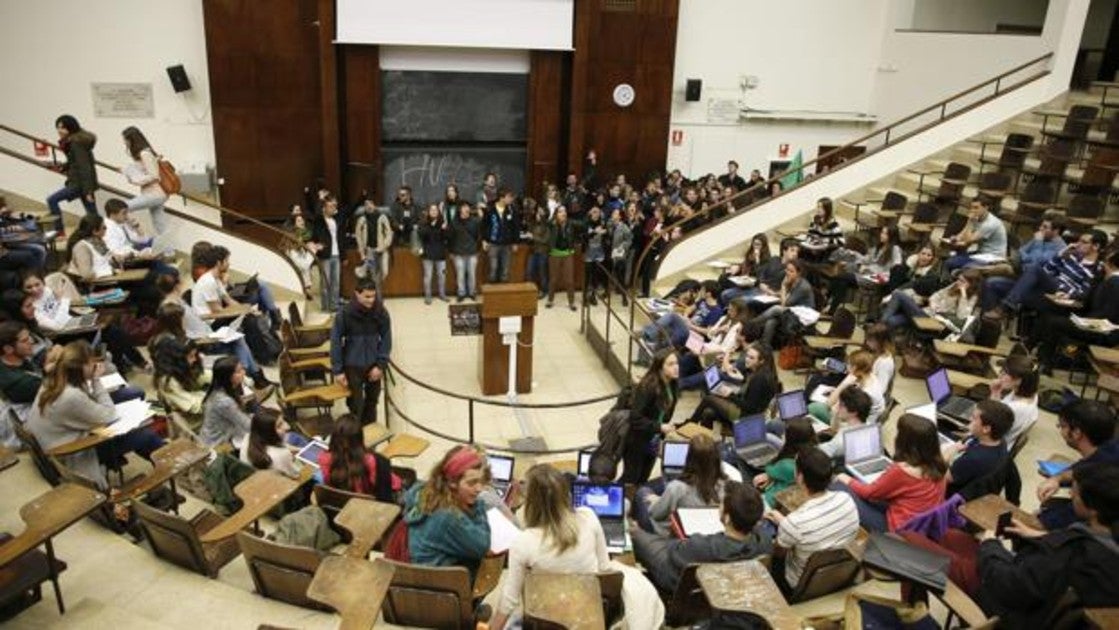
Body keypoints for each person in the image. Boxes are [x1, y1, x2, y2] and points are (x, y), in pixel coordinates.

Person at [490, 464, 664, 630]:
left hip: (547, 616)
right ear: (565, 494)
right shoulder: (589, 516)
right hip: (589, 612)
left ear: (531, 504)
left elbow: (509, 600)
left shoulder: (522, 542)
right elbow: (604, 569)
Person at [26, 340, 164, 489]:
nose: (95, 365)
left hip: (62, 435)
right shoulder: (71, 396)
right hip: (74, 451)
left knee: (135, 394)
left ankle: (162, 455)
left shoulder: (54, 378)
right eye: (91, 362)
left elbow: (86, 399)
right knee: (145, 435)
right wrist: (96, 379)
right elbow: (110, 415)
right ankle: (170, 462)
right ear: (81, 367)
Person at [630, 480, 772, 594]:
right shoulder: (764, 542)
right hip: (720, 589)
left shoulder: (699, 546)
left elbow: (673, 549)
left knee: (635, 532)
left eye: (722, 504)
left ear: (727, 518)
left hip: (675, 576)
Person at [764, 449, 860, 591]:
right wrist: (786, 523)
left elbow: (778, 554)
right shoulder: (847, 500)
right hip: (838, 576)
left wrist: (785, 525)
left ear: (801, 478)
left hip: (800, 585)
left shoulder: (794, 523)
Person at [834, 413, 947, 532]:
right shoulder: (939, 465)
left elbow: (869, 493)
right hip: (920, 526)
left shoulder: (902, 471)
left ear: (905, 440)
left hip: (899, 531)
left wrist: (846, 479)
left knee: (839, 486)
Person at [155, 275, 273, 390]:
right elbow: (184, 335)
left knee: (237, 337)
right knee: (238, 340)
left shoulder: (176, 301)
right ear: (177, 286)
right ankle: (249, 378)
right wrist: (212, 337)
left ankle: (251, 377)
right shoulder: (173, 309)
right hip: (204, 342)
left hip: (207, 334)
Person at [403, 446, 491, 577]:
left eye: (480, 481)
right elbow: (483, 546)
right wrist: (479, 505)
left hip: (423, 574)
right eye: (471, 483)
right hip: (440, 585)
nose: (479, 489)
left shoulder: (424, 491)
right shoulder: (446, 516)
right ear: (453, 483)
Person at [983, 229, 1106, 320]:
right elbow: (1047, 270)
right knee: (993, 283)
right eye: (1078, 240)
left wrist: (1066, 292)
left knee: (1034, 268)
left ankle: (1006, 307)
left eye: (1084, 242)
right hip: (1044, 289)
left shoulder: (1097, 268)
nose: (1078, 244)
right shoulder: (1071, 255)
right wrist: (1060, 254)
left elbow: (1084, 293)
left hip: (1058, 298)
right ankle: (991, 325)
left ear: (1096, 246)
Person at [1035, 400, 1118, 530]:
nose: (1059, 429)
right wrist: (1057, 478)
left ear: (1077, 433)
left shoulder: (1099, 477)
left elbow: (1074, 513)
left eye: (1062, 426)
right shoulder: (1110, 448)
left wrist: (1039, 520)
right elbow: (1082, 467)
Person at [1036, 249, 1119, 373]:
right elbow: (1089, 296)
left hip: (1107, 331)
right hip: (1095, 321)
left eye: (1105, 262)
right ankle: (1042, 355)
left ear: (1110, 264)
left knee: (1054, 323)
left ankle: (1046, 363)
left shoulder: (1115, 283)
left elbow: (1109, 314)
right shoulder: (1105, 279)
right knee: (1051, 312)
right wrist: (1070, 296)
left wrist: (1085, 320)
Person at [634, 433, 726, 535]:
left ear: (689, 457)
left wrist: (657, 501)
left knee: (642, 492)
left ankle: (638, 533)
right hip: (700, 534)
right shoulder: (725, 485)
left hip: (671, 536)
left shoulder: (677, 487)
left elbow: (655, 514)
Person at [331, 277, 392, 425]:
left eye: (373, 296)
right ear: (357, 294)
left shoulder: (381, 312)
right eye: (367, 296)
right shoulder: (345, 314)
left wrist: (380, 365)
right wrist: (338, 370)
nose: (371, 300)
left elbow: (386, 338)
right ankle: (356, 434)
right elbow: (336, 341)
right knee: (355, 404)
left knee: (372, 402)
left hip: (373, 364)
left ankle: (371, 434)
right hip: (352, 365)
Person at [689, 341, 779, 433]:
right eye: (747, 356)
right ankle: (705, 440)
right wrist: (741, 380)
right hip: (751, 413)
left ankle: (689, 424)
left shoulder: (760, 379)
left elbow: (749, 407)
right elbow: (752, 395)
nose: (747, 359)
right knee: (708, 413)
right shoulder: (763, 372)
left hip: (746, 418)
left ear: (761, 361)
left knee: (708, 399)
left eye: (752, 358)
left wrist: (730, 395)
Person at [621, 350, 680, 484]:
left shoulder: (673, 385)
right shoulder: (648, 387)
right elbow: (635, 418)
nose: (676, 367)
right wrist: (659, 427)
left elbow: (664, 415)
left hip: (653, 439)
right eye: (670, 364)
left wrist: (662, 431)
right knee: (630, 478)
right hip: (637, 441)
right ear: (660, 368)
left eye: (676, 363)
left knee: (643, 478)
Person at [318, 414, 399, 501]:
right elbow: (396, 485)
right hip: (369, 510)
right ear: (359, 438)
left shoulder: (323, 458)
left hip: (338, 509)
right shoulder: (372, 461)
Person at [942, 399, 1014, 497]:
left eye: (974, 417)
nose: (970, 418)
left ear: (986, 429)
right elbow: (969, 438)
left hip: (951, 496)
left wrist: (947, 453)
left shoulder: (973, 459)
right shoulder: (1000, 441)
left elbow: (944, 478)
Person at [826, 226, 903, 315]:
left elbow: (897, 266)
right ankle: (831, 308)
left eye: (885, 233)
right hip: (866, 275)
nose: (882, 235)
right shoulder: (879, 247)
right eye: (882, 232)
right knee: (841, 280)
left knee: (842, 277)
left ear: (892, 236)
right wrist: (854, 254)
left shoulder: (895, 249)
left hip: (876, 279)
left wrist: (872, 270)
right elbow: (866, 259)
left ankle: (827, 301)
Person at [879, 268, 981, 330]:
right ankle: (881, 335)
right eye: (959, 279)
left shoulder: (972, 297)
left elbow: (962, 316)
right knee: (891, 321)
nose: (958, 282)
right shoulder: (954, 286)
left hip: (936, 320)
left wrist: (963, 294)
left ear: (971, 284)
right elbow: (936, 295)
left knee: (898, 294)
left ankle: (878, 328)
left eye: (962, 281)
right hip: (927, 311)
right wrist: (933, 303)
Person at [746, 259, 815, 349]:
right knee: (771, 321)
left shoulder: (803, 286)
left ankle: (749, 325)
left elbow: (784, 304)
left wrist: (783, 285)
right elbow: (785, 295)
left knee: (776, 308)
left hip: (802, 318)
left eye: (791, 271)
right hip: (791, 312)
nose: (787, 272)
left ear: (798, 273)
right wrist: (772, 293)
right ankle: (765, 346)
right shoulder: (792, 281)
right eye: (787, 269)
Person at [45, 114, 98, 233]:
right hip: (82, 183)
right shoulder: (75, 141)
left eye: (63, 128)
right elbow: (75, 161)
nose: (59, 131)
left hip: (79, 183)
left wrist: (88, 191)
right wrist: (62, 167)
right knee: (92, 213)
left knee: (52, 200)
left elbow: (85, 167)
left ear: (71, 128)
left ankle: (59, 231)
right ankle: (101, 233)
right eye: (58, 127)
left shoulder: (76, 143)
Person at [808, 350, 885, 425]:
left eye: (848, 364)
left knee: (813, 407)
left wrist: (844, 384)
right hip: (864, 416)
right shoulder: (871, 376)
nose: (846, 366)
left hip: (857, 424)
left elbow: (829, 404)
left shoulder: (865, 392)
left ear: (854, 367)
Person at [754, 418, 818, 506]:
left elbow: (768, 468)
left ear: (791, 439)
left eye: (785, 433)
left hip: (776, 500)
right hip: (796, 494)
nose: (783, 435)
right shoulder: (816, 453)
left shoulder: (787, 465)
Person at [120, 126, 169, 233]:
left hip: (154, 194)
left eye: (125, 139)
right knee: (160, 226)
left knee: (120, 208)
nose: (124, 142)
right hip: (155, 194)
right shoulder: (144, 153)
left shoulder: (145, 153)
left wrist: (136, 181)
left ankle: (137, 234)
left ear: (131, 139)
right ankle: (169, 250)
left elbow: (154, 176)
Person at [200, 356, 254, 449]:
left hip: (224, 431)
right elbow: (247, 425)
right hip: (218, 443)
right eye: (238, 371)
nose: (243, 373)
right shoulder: (224, 402)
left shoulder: (219, 390)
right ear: (228, 376)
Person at [944, 197, 1008, 272]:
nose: (972, 211)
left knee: (953, 263)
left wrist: (970, 221)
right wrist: (955, 238)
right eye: (971, 208)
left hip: (993, 257)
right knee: (951, 257)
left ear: (986, 208)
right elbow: (963, 234)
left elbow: (968, 240)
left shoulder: (990, 224)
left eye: (976, 208)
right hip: (981, 253)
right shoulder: (977, 218)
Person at [150, 336, 207, 419]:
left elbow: (202, 376)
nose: (195, 359)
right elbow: (195, 407)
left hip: (192, 398)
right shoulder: (167, 381)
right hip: (187, 416)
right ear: (178, 360)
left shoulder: (180, 368)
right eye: (191, 356)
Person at [991, 354, 1040, 447]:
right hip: (1000, 441)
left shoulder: (1014, 408)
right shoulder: (1032, 395)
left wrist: (994, 393)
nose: (1000, 375)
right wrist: (997, 392)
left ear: (1019, 380)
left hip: (993, 446)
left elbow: (988, 426)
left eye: (1005, 373)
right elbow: (995, 412)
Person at [817, 386, 873, 462]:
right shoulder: (869, 425)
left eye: (841, 405)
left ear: (853, 412)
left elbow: (818, 452)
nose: (836, 406)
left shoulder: (840, 441)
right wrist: (835, 415)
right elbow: (834, 430)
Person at [241, 409, 299, 478]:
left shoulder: (247, 438)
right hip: (286, 483)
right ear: (268, 432)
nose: (287, 426)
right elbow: (295, 476)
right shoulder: (282, 454)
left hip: (260, 481)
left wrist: (300, 449)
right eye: (279, 426)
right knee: (296, 437)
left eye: (283, 421)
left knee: (294, 437)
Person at [719, 234, 773, 305]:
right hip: (744, 281)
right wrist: (738, 268)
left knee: (728, 295)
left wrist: (757, 261)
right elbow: (744, 265)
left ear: (763, 246)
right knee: (723, 278)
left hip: (755, 287)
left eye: (758, 245)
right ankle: (723, 307)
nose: (755, 247)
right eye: (754, 244)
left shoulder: (767, 260)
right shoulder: (750, 254)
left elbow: (760, 278)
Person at [354, 197, 393, 294]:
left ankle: (376, 293)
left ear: (374, 205)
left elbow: (389, 234)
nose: (368, 206)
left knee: (385, 272)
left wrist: (383, 246)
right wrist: (362, 253)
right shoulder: (361, 219)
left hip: (382, 250)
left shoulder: (382, 217)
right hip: (370, 251)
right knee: (373, 276)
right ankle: (377, 298)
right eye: (366, 204)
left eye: (370, 204)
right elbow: (358, 237)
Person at [310, 194, 342, 312]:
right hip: (325, 256)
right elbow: (316, 211)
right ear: (324, 207)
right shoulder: (320, 220)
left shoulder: (336, 219)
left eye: (334, 206)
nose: (333, 208)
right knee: (325, 283)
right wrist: (321, 200)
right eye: (330, 206)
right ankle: (325, 307)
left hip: (336, 255)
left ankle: (334, 306)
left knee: (336, 283)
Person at [483, 188, 521, 283]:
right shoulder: (490, 209)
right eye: (509, 197)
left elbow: (516, 227)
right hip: (493, 243)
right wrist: (484, 240)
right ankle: (492, 291)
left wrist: (516, 242)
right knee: (493, 268)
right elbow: (484, 225)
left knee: (505, 269)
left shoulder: (512, 210)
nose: (511, 199)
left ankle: (502, 292)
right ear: (502, 198)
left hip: (507, 244)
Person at [65, 215, 117, 281]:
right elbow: (86, 274)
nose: (106, 229)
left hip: (109, 278)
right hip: (94, 285)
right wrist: (109, 272)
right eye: (104, 227)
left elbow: (108, 258)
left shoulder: (99, 242)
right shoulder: (82, 247)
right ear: (95, 231)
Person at [545, 206, 577, 311]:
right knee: (553, 279)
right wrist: (555, 219)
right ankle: (550, 300)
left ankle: (571, 302)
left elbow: (582, 226)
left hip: (567, 253)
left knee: (569, 280)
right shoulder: (552, 224)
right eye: (560, 212)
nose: (563, 213)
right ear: (556, 214)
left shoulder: (570, 223)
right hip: (554, 254)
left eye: (565, 211)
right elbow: (546, 221)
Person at [449, 201, 481, 302]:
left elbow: (478, 236)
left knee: (472, 273)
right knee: (460, 274)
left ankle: (472, 292)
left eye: (468, 207)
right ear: (460, 209)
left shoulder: (475, 221)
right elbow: (451, 238)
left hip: (472, 252)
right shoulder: (454, 222)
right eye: (464, 207)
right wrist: (451, 251)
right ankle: (461, 293)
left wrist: (477, 249)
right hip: (458, 253)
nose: (466, 209)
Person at [417, 203, 449, 304]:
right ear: (428, 212)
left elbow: (447, 237)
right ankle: (428, 296)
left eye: (436, 210)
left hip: (441, 254)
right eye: (432, 210)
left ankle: (442, 294)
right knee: (428, 276)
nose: (434, 212)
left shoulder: (442, 222)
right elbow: (422, 235)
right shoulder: (423, 223)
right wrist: (432, 225)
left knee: (442, 276)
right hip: (427, 253)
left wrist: (444, 229)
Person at [526, 205, 550, 298]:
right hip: (533, 251)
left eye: (540, 212)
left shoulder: (547, 226)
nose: (537, 214)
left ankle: (544, 290)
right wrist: (527, 236)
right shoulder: (532, 224)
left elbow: (545, 240)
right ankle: (531, 290)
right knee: (529, 271)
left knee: (542, 273)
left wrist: (533, 237)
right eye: (537, 212)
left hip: (543, 252)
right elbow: (531, 238)